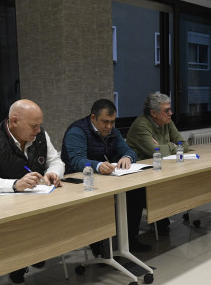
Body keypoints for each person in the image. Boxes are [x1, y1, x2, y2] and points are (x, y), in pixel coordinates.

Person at [0, 99, 65, 285]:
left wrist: (53, 173)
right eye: (33, 126)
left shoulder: (40, 135)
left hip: (38, 203)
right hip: (5, 210)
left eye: (39, 125)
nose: (38, 131)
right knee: (19, 236)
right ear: (14, 121)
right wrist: (14, 184)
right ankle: (16, 266)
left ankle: (39, 253)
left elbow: (56, 160)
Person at [61, 99, 150, 253]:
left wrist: (127, 158)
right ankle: (100, 248)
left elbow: (129, 151)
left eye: (112, 122)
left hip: (104, 179)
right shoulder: (77, 131)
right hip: (77, 182)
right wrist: (97, 165)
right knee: (101, 200)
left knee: (136, 191)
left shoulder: (112, 132)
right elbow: (76, 161)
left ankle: (130, 239)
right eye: (105, 122)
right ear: (93, 117)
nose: (109, 126)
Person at [126, 92, 189, 234]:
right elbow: (157, 153)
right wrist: (171, 146)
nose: (171, 113)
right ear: (153, 112)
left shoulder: (167, 122)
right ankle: (133, 236)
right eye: (167, 111)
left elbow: (184, 145)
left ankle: (161, 221)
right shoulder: (141, 124)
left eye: (170, 109)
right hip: (140, 174)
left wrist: (164, 146)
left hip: (162, 169)